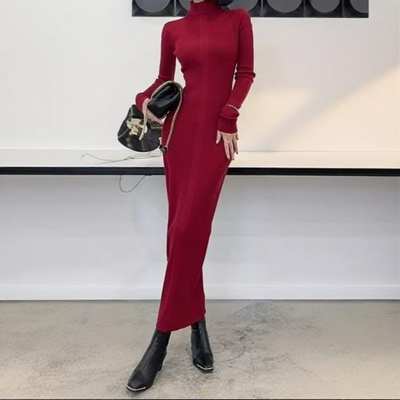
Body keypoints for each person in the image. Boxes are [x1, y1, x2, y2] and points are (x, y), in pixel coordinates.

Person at [126, 0, 256, 392]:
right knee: (181, 233)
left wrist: (228, 115)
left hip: (216, 138)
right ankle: (197, 324)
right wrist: (143, 101)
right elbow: (162, 79)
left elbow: (245, 75)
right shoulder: (173, 30)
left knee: (186, 233)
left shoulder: (237, 20)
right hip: (178, 137)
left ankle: (160, 339)